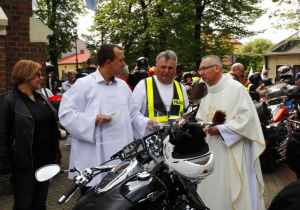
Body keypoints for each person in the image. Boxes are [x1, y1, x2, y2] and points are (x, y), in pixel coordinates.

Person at [58, 44, 151, 195]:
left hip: (120, 159)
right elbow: (65, 114)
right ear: (108, 62)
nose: (124, 64)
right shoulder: (84, 85)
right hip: (93, 159)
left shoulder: (122, 86)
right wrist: (93, 120)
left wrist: (148, 123)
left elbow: (133, 114)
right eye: (121, 60)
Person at [195, 55, 266, 210]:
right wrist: (202, 127)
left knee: (232, 188)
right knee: (213, 188)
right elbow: (201, 116)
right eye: (199, 69)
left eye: (204, 69)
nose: (200, 73)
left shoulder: (235, 88)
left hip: (234, 149)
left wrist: (221, 129)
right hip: (212, 149)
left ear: (217, 68)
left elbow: (246, 119)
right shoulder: (207, 91)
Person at [0, 59, 62, 210]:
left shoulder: (41, 97)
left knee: (40, 203)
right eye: (38, 75)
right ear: (26, 75)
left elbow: (52, 128)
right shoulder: (8, 101)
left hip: (45, 160)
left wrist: (57, 152)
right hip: (23, 164)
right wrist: (5, 166)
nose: (42, 78)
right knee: (24, 204)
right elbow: (2, 135)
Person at [133, 50, 190, 126]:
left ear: (175, 69)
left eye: (170, 68)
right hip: (151, 135)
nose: (166, 71)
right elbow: (132, 113)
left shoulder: (180, 88)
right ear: (156, 67)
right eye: (163, 67)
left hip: (176, 136)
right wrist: (146, 122)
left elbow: (186, 115)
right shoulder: (143, 85)